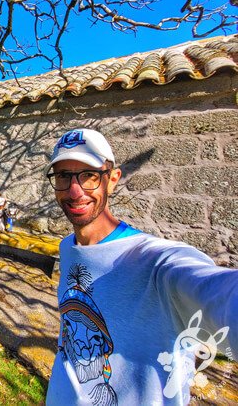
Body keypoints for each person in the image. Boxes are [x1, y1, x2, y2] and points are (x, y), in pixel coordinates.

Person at [43, 128, 237, 405]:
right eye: (63, 176)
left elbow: (217, 292)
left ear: (112, 180)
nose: (75, 191)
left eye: (89, 175)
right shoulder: (68, 247)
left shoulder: (157, 262)